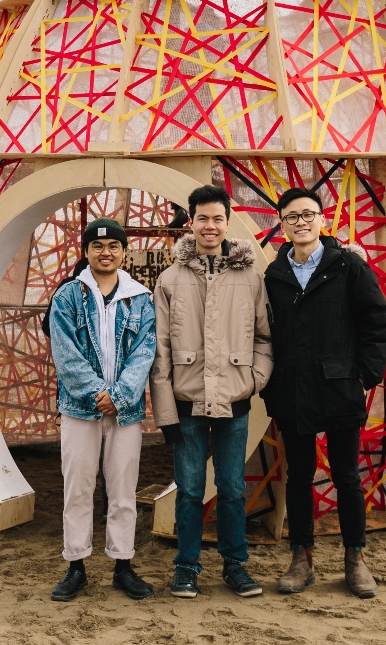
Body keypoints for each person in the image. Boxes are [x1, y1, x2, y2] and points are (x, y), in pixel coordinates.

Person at [261, 188, 386, 599]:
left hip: (339, 390)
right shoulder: (274, 275)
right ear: (282, 224)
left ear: (322, 219)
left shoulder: (348, 266)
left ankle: (356, 559)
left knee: (347, 477)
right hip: (292, 391)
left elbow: (375, 320)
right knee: (297, 476)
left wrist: (367, 376)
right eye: (292, 217)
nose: (301, 222)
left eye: (308, 215)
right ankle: (302, 558)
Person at [150, 185, 272, 599]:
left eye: (218, 218)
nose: (210, 225)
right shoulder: (170, 279)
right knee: (188, 490)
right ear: (190, 221)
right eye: (202, 218)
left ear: (227, 222)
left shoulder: (250, 277)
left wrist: (254, 380)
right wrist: (165, 412)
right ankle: (186, 567)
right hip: (187, 404)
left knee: (233, 488)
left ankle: (235, 566)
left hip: (234, 402)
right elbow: (160, 351)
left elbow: (264, 338)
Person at [47, 218, 157, 603]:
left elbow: (146, 351)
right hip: (80, 410)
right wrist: (98, 393)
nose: (105, 252)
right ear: (86, 251)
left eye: (113, 245)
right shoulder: (68, 296)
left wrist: (121, 395)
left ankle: (122, 565)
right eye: (98, 246)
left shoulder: (140, 297)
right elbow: (64, 353)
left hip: (124, 412)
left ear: (123, 251)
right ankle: (75, 566)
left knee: (123, 489)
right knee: (77, 487)